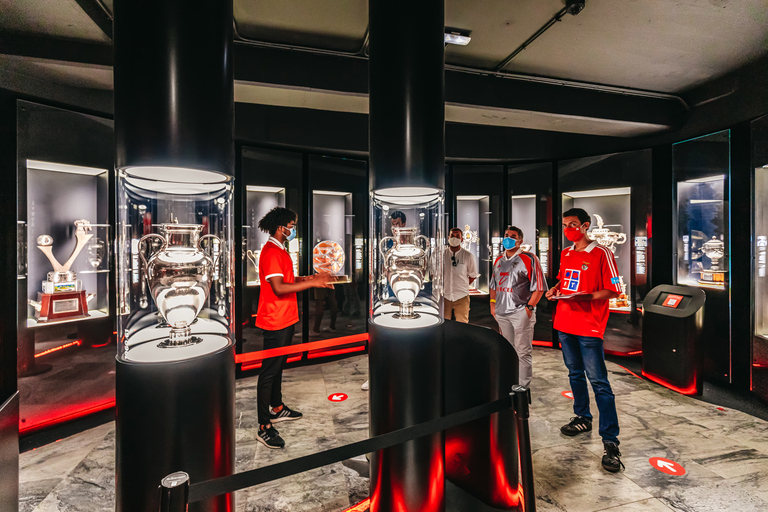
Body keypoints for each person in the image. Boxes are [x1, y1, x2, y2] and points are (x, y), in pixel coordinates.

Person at [545, 207, 624, 473]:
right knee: (574, 374)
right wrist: (555, 291)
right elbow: (563, 281)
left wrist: (586, 297)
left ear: (586, 225)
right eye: (565, 224)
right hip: (564, 324)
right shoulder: (566, 253)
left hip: (589, 327)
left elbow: (614, 290)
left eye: (573, 224)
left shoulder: (601, 253)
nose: (568, 228)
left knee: (599, 382)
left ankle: (610, 441)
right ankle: (582, 417)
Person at [255, 206, 335, 448]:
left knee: (278, 368)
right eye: (291, 225)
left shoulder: (280, 250)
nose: (293, 229)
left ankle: (277, 407)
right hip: (274, 320)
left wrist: (313, 279)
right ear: (281, 227)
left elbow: (288, 281)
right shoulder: (270, 252)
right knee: (269, 372)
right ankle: (264, 426)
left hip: (286, 318)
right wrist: (312, 283)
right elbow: (279, 288)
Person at [490, 226, 546, 388]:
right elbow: (493, 284)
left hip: (521, 312)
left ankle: (523, 386)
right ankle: (509, 381)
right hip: (501, 312)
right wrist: (493, 305)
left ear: (520, 240)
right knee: (507, 349)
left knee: (523, 351)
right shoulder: (499, 260)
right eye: (506, 235)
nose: (508, 238)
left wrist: (529, 307)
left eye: (513, 236)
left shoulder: (529, 258)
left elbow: (539, 287)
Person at [362, 209, 407, 392]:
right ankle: (376, 374)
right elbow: (384, 267)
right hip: (389, 293)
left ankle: (402, 373)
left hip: (407, 294)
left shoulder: (412, 243)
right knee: (383, 336)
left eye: (398, 224)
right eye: (393, 224)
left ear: (404, 224)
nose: (395, 227)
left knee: (404, 337)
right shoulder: (387, 243)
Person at [443, 227, 479, 322]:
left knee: (462, 323)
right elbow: (435, 274)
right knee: (443, 323)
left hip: (461, 296)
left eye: (457, 236)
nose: (454, 238)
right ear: (448, 238)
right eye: (452, 236)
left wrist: (461, 285)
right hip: (445, 295)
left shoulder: (468, 256)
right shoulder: (442, 254)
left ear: (462, 239)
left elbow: (472, 275)